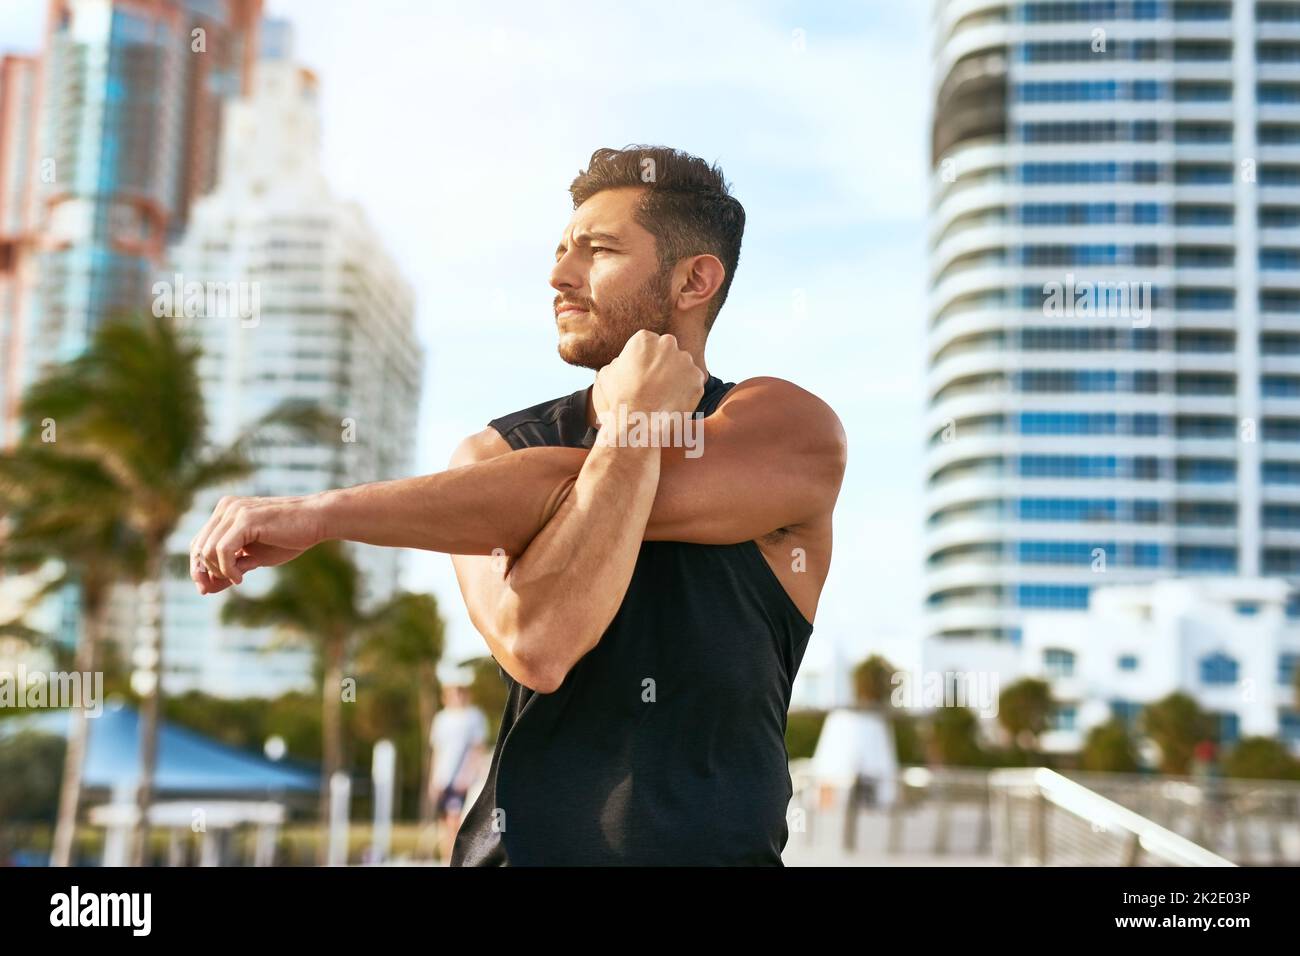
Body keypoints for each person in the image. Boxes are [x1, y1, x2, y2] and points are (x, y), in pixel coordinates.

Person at [187, 144, 848, 865]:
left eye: (596, 251)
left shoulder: (787, 429)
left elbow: (552, 492)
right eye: (561, 251)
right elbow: (540, 642)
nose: (559, 276)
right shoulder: (490, 456)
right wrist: (629, 434)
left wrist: (325, 515)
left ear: (695, 280)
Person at [427, 667, 488, 863]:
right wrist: (433, 780)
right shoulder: (441, 719)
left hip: (463, 779)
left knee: (457, 822)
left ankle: (457, 860)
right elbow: (437, 751)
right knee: (445, 823)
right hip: (443, 778)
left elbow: (478, 749)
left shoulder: (474, 717)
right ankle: (447, 860)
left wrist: (468, 775)